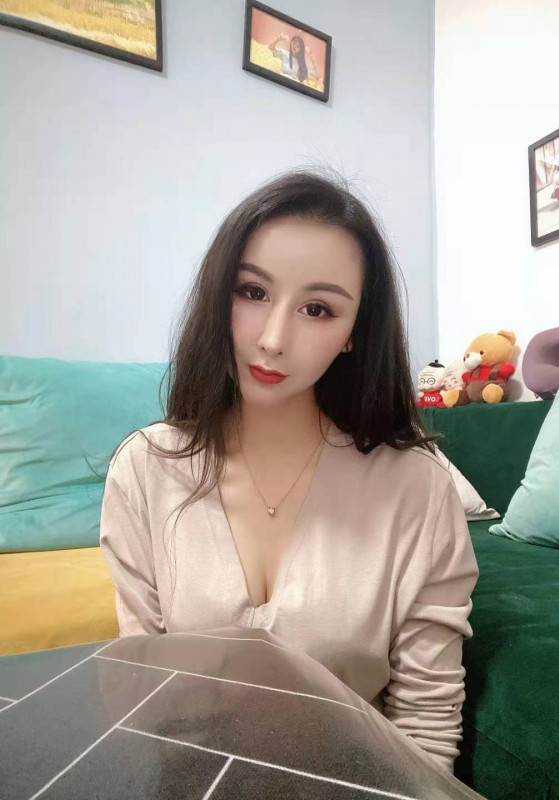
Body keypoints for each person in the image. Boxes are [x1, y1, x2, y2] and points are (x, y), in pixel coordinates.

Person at [99, 168, 479, 776]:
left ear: (354, 333)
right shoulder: (145, 469)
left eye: (318, 309)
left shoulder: (416, 488)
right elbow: (145, 694)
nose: (273, 339)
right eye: (252, 292)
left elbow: (426, 723)